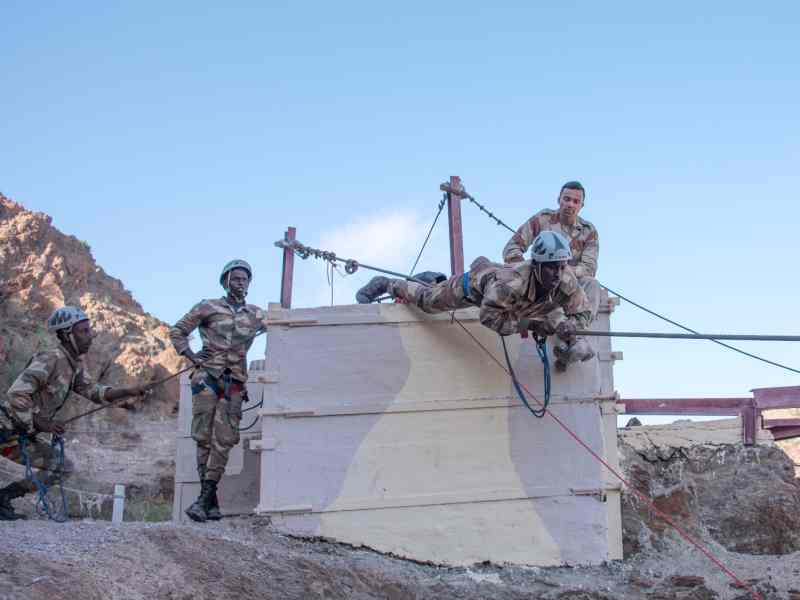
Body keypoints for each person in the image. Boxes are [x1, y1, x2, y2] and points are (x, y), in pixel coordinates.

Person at [356, 231, 594, 370]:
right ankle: (389, 283)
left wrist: (572, 327)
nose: (558, 274)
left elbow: (582, 312)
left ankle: (566, 352)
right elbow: (489, 317)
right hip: (474, 288)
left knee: (558, 320)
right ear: (538, 265)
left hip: (525, 302)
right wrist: (530, 324)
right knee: (428, 301)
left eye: (562, 267)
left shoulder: (565, 279)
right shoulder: (510, 283)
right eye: (552, 268)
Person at [0, 306, 151, 521]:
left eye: (89, 330)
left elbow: (94, 391)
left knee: (60, 467)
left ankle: (4, 497)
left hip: (18, 437)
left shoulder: (74, 366)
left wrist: (128, 391)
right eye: (84, 331)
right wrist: (42, 423)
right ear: (66, 334)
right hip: (4, 428)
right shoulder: (50, 358)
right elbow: (16, 394)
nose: (90, 336)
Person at [169, 260, 266, 523]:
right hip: (206, 377)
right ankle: (208, 502)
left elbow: (281, 325)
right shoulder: (207, 306)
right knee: (203, 437)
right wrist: (191, 355)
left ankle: (205, 498)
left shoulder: (255, 314)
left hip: (234, 381)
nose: (240, 283)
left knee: (225, 439)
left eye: (245, 279)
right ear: (225, 281)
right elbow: (177, 331)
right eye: (235, 278)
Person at [502, 181, 601, 321]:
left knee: (592, 284)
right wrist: (526, 271)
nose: (570, 204)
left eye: (576, 201)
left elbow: (589, 268)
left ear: (581, 206)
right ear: (559, 199)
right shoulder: (543, 219)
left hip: (569, 284)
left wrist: (562, 270)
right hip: (539, 281)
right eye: (566, 199)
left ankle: (578, 328)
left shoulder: (588, 232)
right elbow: (511, 248)